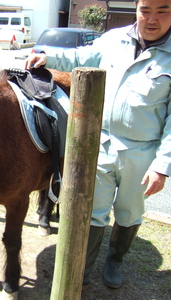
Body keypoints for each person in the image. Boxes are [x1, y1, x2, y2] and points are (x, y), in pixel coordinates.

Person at [25, 0, 171, 290]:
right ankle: (83, 269)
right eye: (145, 9)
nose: (152, 18)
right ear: (137, 8)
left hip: (142, 151)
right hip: (100, 144)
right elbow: (79, 57)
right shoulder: (113, 40)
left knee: (129, 211)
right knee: (93, 210)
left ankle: (115, 260)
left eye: (163, 10)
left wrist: (162, 166)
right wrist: (46, 54)